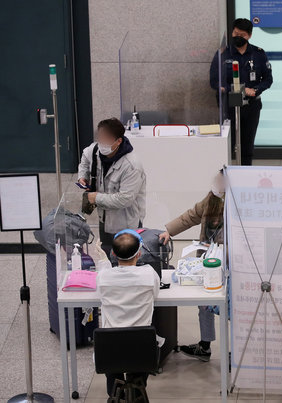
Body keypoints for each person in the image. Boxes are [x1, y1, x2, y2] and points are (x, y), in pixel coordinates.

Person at [158, 170, 225, 361]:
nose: (217, 183)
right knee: (203, 303)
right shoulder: (211, 198)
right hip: (206, 260)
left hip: (227, 261)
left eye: (221, 181)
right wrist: (169, 231)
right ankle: (205, 346)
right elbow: (192, 215)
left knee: (229, 307)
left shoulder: (235, 203)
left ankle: (235, 351)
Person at [96, 230, 160, 397]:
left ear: (113, 254)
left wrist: (103, 261)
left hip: (109, 350)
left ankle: (115, 394)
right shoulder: (149, 274)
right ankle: (137, 390)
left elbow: (102, 284)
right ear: (139, 253)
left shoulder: (103, 277)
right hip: (142, 349)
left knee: (113, 369)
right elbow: (156, 294)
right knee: (139, 365)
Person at [78, 118, 146, 257]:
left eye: (106, 138)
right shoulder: (95, 150)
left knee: (128, 261)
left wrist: (95, 198)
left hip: (126, 224)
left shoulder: (132, 166)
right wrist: (82, 175)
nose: (101, 142)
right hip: (104, 219)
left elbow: (124, 199)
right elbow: (85, 158)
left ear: (118, 141)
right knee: (107, 257)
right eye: (100, 137)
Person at [210, 18, 273, 165]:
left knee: (247, 146)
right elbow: (214, 80)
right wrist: (225, 87)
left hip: (251, 106)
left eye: (242, 34)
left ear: (249, 36)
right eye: (235, 33)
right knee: (227, 145)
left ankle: (246, 176)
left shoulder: (258, 54)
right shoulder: (222, 54)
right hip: (228, 106)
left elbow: (268, 79)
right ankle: (226, 180)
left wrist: (256, 90)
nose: (238, 36)